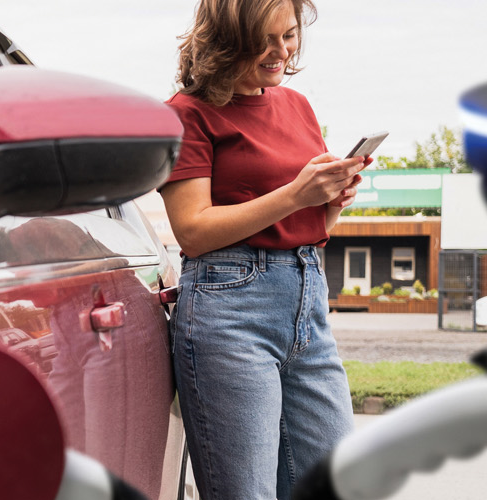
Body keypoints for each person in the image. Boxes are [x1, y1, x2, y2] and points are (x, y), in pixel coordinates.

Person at [159, 0, 368, 498]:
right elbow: (192, 230)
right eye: (265, 40)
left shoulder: (297, 106)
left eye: (289, 36)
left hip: (306, 297)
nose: (281, 52)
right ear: (227, 39)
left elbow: (305, 226)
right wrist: (297, 193)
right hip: (230, 311)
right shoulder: (185, 115)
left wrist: (330, 202)